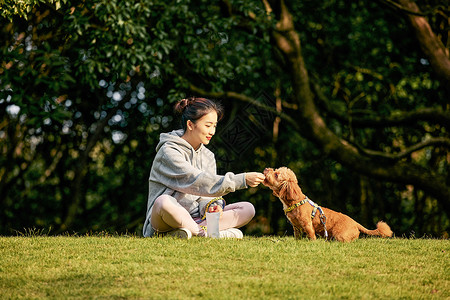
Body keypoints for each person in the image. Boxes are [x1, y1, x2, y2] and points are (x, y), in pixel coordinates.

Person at [142, 97, 265, 239]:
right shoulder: (168, 152)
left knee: (247, 209)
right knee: (163, 201)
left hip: (197, 219)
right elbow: (196, 181)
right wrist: (241, 179)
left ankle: (191, 232)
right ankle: (205, 234)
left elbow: (206, 193)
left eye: (215, 125)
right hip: (164, 219)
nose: (212, 131)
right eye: (208, 125)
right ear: (190, 124)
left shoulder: (208, 156)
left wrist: (212, 206)